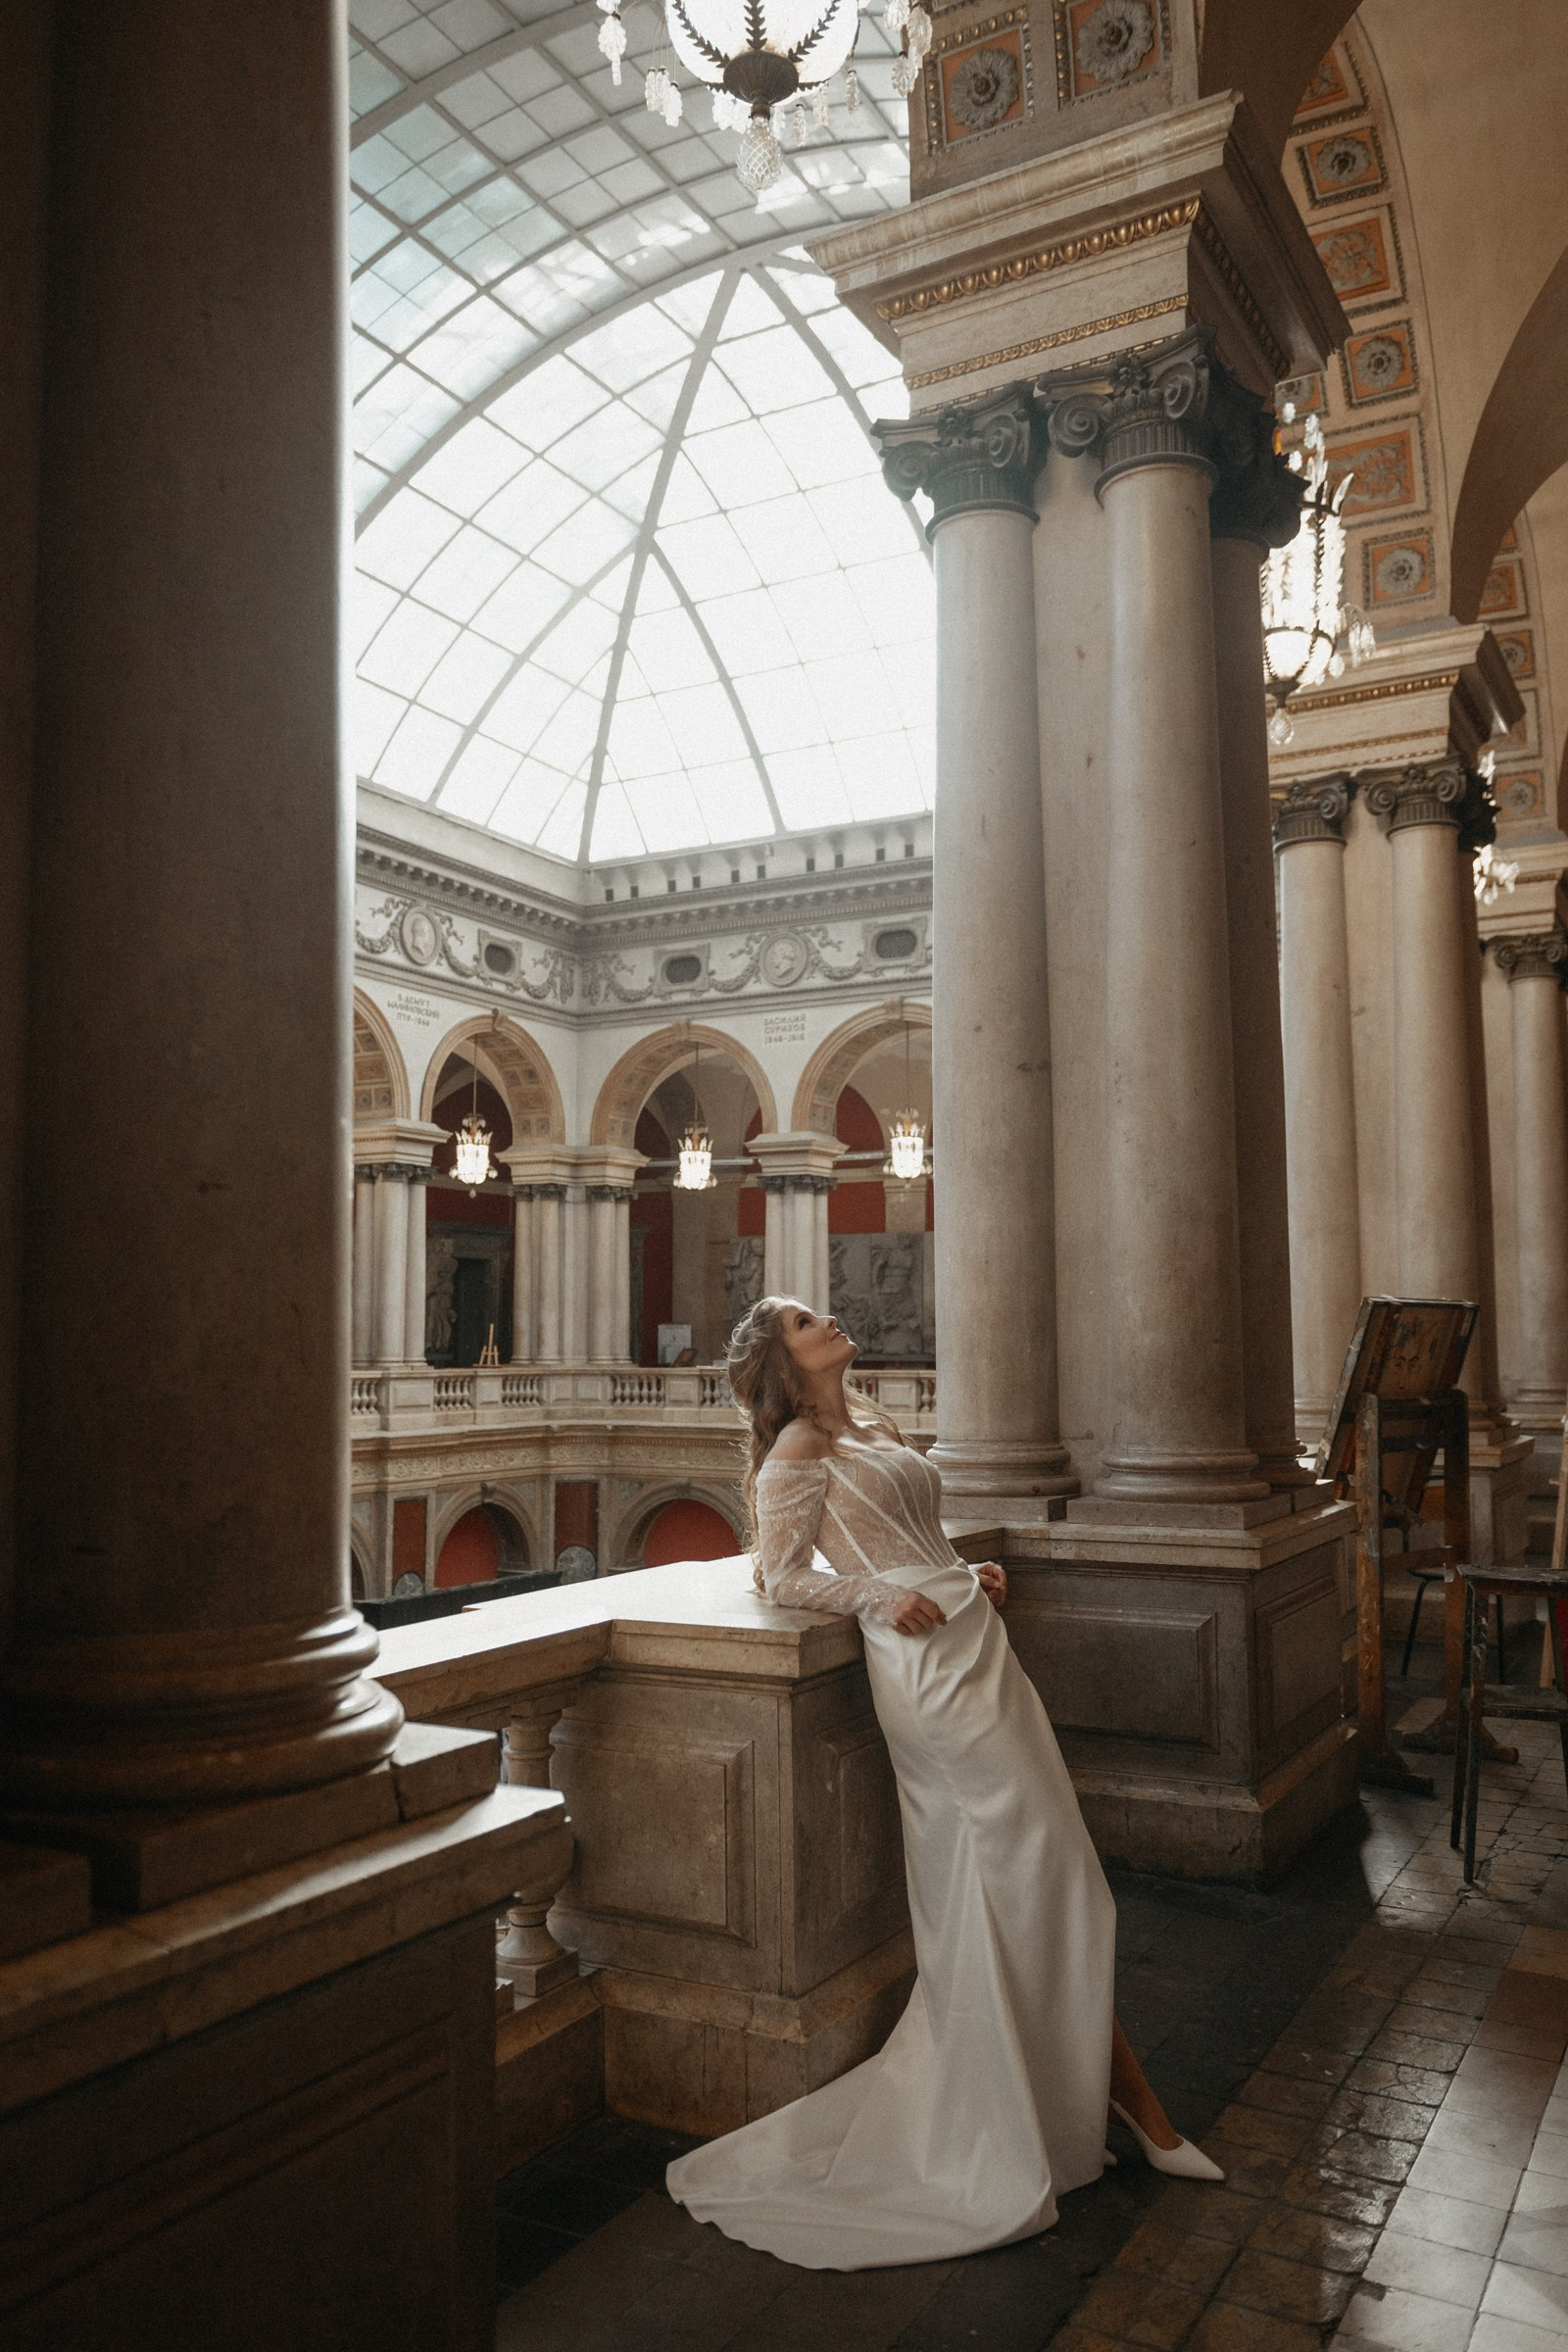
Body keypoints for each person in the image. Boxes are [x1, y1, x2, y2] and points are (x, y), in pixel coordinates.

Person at [666, 1297, 1221, 2272]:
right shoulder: (795, 1447)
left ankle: (1070, 2104)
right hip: (927, 1679)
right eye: (803, 1320)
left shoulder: (869, 1418)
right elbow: (779, 1575)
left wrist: (966, 1569)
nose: (825, 1318)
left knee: (1029, 1891)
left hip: (976, 1645)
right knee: (1051, 1883)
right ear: (783, 1362)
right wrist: (878, 1592)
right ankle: (1139, 2112)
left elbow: (914, 1531)